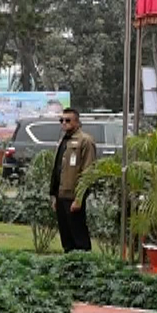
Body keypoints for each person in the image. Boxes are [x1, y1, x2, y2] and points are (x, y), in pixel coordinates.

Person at [50, 107, 97, 253]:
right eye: (61, 120)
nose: (64, 123)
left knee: (79, 236)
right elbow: (57, 169)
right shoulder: (63, 141)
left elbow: (88, 171)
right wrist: (53, 195)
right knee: (66, 237)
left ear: (77, 122)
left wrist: (79, 198)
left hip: (74, 197)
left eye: (68, 120)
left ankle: (83, 268)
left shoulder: (85, 141)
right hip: (61, 194)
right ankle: (69, 268)